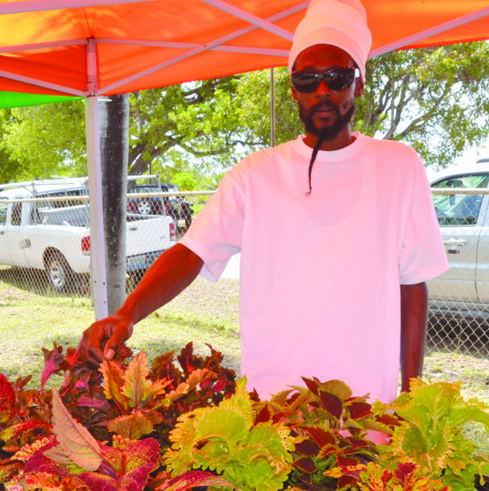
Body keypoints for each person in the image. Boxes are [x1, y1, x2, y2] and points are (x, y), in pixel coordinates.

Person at [79, 0, 448, 403]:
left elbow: (413, 284)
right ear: (293, 91)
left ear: (357, 84)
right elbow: (191, 253)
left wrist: (413, 398)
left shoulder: (399, 165)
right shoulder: (255, 174)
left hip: (368, 402)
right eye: (308, 80)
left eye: (336, 77)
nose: (322, 90)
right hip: (276, 398)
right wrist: (126, 313)